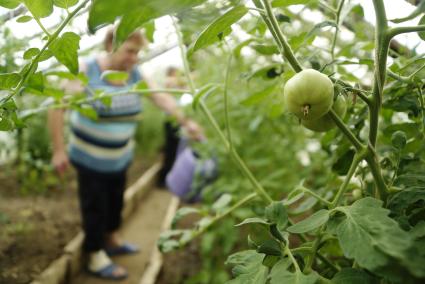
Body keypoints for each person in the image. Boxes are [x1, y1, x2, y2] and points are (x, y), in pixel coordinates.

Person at [48, 29, 203, 280]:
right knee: (94, 206)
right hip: (89, 158)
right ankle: (95, 255)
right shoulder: (87, 70)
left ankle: (111, 239)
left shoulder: (135, 75)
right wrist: (58, 150)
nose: (134, 57)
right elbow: (57, 106)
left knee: (115, 202)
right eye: (130, 51)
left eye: (138, 52)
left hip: (119, 158)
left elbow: (161, 99)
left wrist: (186, 122)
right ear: (111, 44)